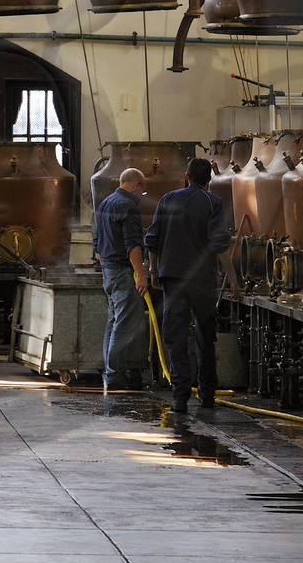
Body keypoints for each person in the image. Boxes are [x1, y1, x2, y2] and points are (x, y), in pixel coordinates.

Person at [147, 156, 232, 413]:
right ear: (209, 179)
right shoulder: (213, 202)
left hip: (172, 277)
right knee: (205, 336)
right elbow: (219, 246)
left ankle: (180, 397)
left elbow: (152, 238)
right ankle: (207, 395)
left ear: (186, 175)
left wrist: (153, 270)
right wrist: (234, 279)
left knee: (176, 337)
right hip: (203, 280)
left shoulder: (167, 199)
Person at [93, 167, 150, 392]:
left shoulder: (106, 203)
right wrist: (141, 273)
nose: (141, 195)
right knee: (124, 325)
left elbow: (97, 241)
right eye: (142, 191)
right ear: (137, 185)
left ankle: (111, 369)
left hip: (108, 270)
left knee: (113, 322)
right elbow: (133, 244)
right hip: (123, 272)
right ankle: (115, 375)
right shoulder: (128, 207)